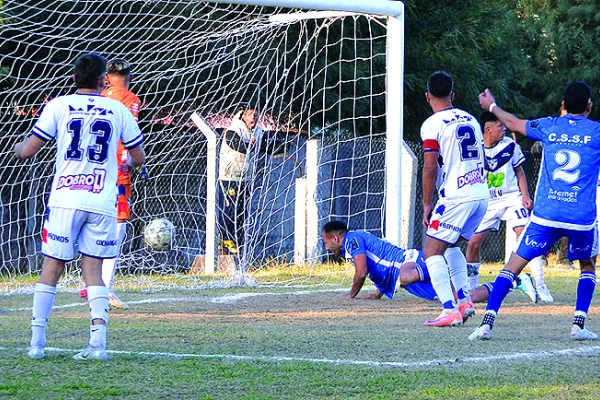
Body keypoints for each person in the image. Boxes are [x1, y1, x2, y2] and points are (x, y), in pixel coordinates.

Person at [14, 53, 146, 359]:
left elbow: (30, 149)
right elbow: (138, 157)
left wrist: (19, 148)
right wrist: (125, 160)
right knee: (94, 269)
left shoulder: (58, 105)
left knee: (52, 266)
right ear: (103, 81)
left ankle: (37, 344)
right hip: (101, 199)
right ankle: (97, 344)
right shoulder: (117, 108)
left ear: (73, 78)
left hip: (65, 198)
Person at [470, 82, 600, 341]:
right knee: (587, 265)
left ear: (563, 107)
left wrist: (491, 105)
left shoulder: (551, 125)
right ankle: (578, 325)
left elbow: (515, 123)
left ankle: (486, 324)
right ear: (589, 106)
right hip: (581, 218)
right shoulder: (597, 131)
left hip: (547, 214)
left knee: (513, 265)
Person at [321, 221, 536, 309]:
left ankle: (442, 259)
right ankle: (515, 282)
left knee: (404, 276)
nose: (326, 246)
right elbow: (381, 270)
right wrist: (378, 294)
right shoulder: (353, 242)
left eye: (325, 241)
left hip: (409, 261)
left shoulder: (352, 239)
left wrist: (351, 295)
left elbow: (362, 271)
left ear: (335, 238)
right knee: (464, 297)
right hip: (405, 274)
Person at [420, 71, 489, 327]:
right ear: (453, 95)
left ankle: (449, 310)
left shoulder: (432, 124)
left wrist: (427, 203)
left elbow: (430, 167)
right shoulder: (471, 119)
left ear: (428, 96)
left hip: (457, 196)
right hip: (480, 194)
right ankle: (464, 300)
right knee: (450, 247)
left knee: (431, 251)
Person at [466, 111, 553, 303]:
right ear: (488, 129)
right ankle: (471, 289)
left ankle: (540, 285)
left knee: (525, 237)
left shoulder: (510, 146)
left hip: (511, 197)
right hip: (486, 202)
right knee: (472, 243)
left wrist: (525, 196)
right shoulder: (473, 148)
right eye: (500, 125)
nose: (504, 128)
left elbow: (519, 172)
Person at [78, 58, 145, 310]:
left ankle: (90, 282)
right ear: (129, 77)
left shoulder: (97, 96)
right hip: (117, 170)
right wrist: (135, 161)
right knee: (118, 225)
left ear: (106, 78)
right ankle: (103, 286)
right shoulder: (130, 99)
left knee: (92, 223)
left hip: (91, 169)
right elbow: (129, 134)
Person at [218, 105, 287, 260]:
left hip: (247, 178)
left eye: (256, 115)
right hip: (230, 177)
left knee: (242, 212)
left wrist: (282, 145)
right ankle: (225, 241)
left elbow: (264, 147)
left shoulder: (258, 131)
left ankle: (239, 243)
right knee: (230, 210)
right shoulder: (233, 130)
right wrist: (252, 145)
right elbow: (240, 146)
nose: (253, 118)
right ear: (243, 116)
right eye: (250, 115)